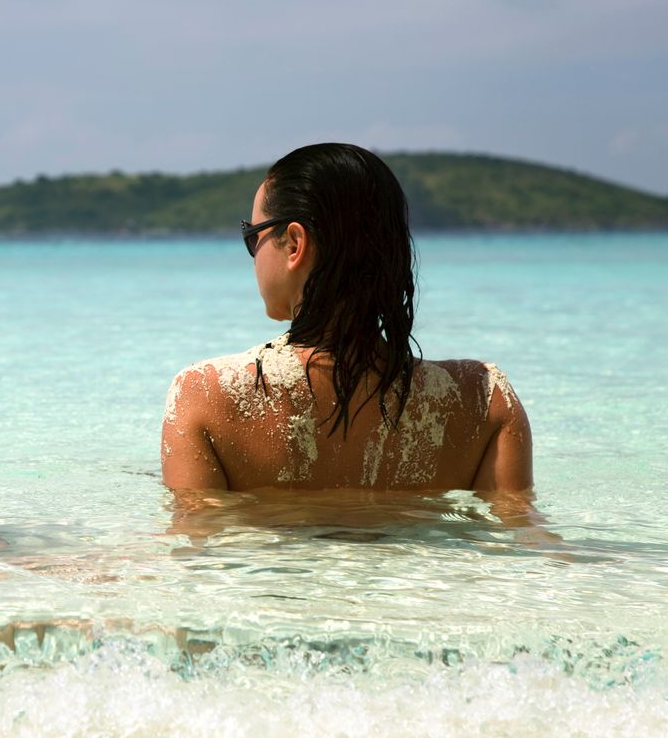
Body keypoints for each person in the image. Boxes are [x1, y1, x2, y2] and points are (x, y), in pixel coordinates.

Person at [161, 143, 532, 495]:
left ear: (293, 244)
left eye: (252, 235)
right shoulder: (485, 402)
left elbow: (195, 549)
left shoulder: (205, 397)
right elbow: (516, 540)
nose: (253, 254)